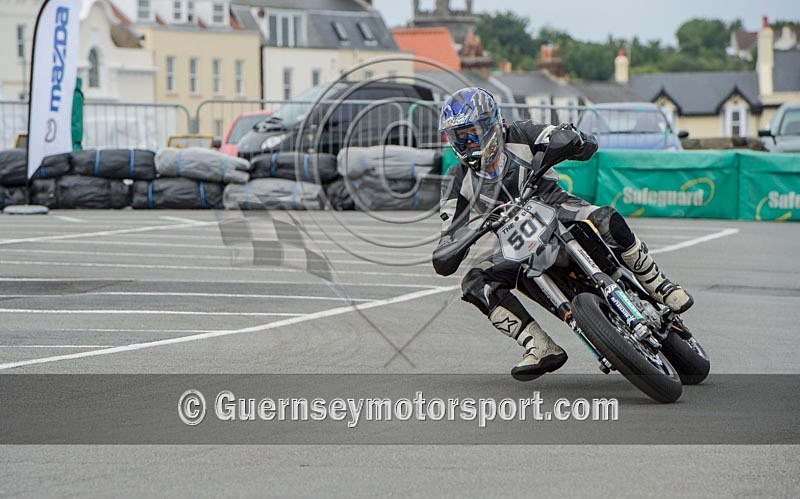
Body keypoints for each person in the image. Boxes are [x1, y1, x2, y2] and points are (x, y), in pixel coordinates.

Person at [433, 87, 693, 381]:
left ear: (492, 123)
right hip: (513, 240)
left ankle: (660, 284)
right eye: (458, 137)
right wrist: (459, 242)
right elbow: (447, 242)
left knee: (603, 217)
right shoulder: (456, 180)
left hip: (555, 205)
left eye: (472, 133)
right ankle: (538, 344)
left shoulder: (519, 133)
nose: (467, 143)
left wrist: (570, 140)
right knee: (474, 281)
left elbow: (572, 139)